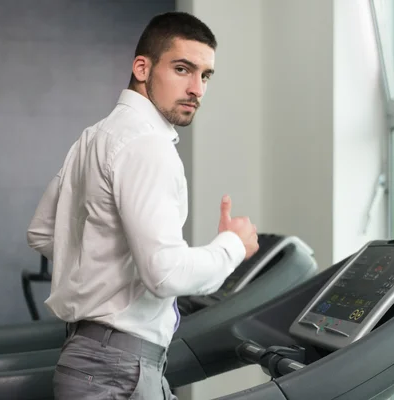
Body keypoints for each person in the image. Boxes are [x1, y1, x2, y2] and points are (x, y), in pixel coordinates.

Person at [27, 11, 259, 400]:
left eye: (205, 76)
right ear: (142, 67)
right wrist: (232, 246)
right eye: (183, 69)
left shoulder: (94, 137)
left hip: (88, 360)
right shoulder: (147, 146)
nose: (197, 89)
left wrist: (109, 263)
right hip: (117, 370)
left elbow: (41, 233)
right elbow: (165, 275)